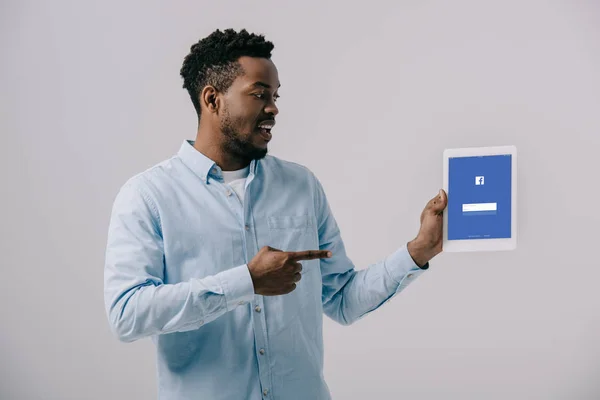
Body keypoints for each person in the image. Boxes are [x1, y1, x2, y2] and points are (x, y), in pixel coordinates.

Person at [104, 28, 448, 400]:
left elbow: (343, 299)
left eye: (275, 95)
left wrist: (419, 251)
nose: (273, 107)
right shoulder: (149, 196)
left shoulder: (301, 186)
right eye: (259, 94)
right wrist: (245, 281)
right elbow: (126, 313)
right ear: (212, 99)